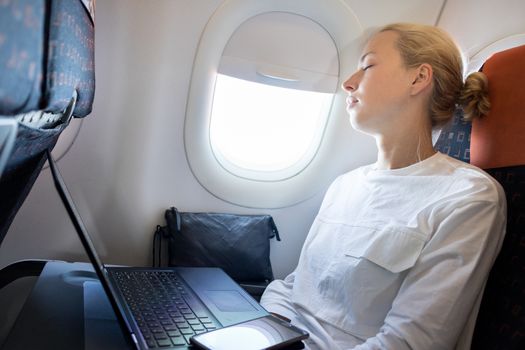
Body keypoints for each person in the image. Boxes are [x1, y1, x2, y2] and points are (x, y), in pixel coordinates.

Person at [260, 23, 507, 350]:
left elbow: (409, 343)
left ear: (418, 78)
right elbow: (292, 289)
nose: (349, 83)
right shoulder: (344, 186)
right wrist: (262, 335)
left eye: (367, 66)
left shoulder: (468, 197)